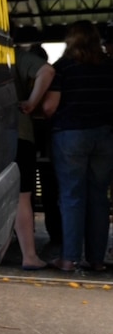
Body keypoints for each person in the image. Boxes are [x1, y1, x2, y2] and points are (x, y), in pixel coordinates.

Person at [41, 21, 113, 272]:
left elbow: (50, 107)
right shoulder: (109, 66)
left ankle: (69, 259)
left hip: (70, 135)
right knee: (99, 198)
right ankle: (96, 259)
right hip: (105, 136)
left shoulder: (63, 67)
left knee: (72, 197)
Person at [14, 45, 55, 269]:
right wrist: (30, 103)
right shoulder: (13, 54)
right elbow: (47, 71)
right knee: (22, 198)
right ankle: (29, 256)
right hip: (19, 134)